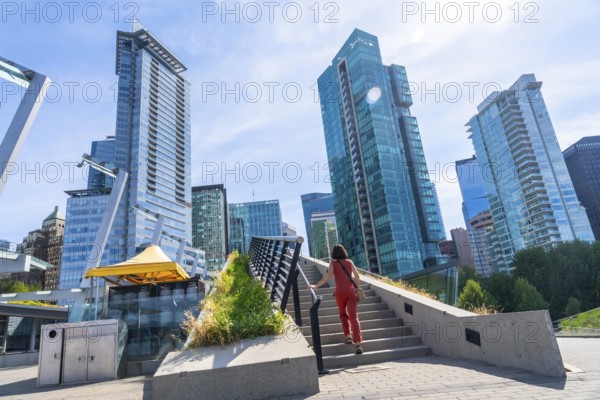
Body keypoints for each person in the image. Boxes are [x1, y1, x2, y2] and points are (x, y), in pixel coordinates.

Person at [309, 244, 364, 354]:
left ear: (333, 254)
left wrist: (316, 286)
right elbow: (357, 276)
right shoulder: (349, 262)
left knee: (343, 314)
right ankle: (358, 344)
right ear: (344, 252)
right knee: (354, 317)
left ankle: (348, 336)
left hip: (339, 292)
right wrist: (357, 288)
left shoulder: (333, 263)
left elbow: (327, 276)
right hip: (351, 291)